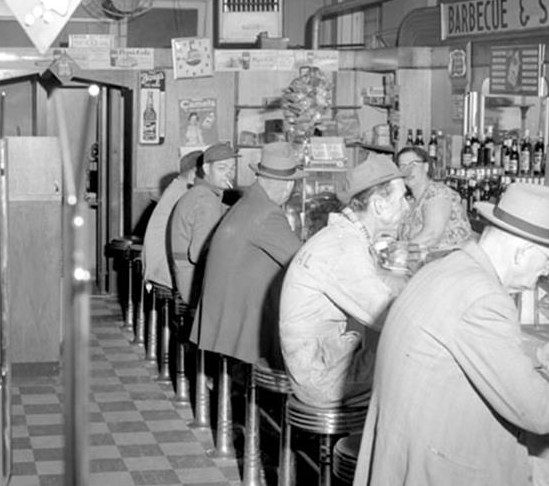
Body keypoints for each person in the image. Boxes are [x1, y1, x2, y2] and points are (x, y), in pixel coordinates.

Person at [353, 182, 549, 486]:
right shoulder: (485, 299)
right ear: (522, 252)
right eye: (547, 262)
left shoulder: (446, 269)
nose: (544, 274)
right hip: (448, 483)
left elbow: (466, 354)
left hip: (410, 461)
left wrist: (540, 357)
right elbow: (540, 413)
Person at [279, 155, 409, 407]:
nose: (406, 207)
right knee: (423, 361)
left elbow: (376, 287)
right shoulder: (342, 248)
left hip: (322, 361)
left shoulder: (341, 237)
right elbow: (388, 318)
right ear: (379, 205)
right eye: (402, 198)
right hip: (324, 378)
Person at [193, 142, 303, 368]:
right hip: (239, 324)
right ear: (289, 185)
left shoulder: (249, 201)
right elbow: (304, 263)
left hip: (221, 316)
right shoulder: (268, 213)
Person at [167, 141, 238, 310]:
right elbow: (199, 253)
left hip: (185, 275)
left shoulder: (200, 193)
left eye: (232, 168)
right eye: (222, 168)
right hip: (193, 283)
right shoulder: (206, 200)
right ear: (206, 169)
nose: (229, 174)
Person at [142, 150, 202, 291]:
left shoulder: (177, 188)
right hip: (164, 269)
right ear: (195, 173)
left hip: (156, 265)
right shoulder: (184, 194)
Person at [396, 145, 472, 253]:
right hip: (426, 266)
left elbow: (431, 236)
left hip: (452, 264)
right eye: (402, 166)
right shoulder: (408, 202)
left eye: (413, 164)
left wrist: (397, 251)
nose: (408, 170)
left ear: (426, 167)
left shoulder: (437, 193)